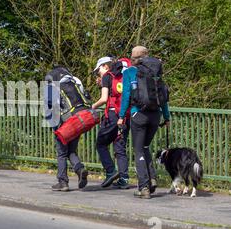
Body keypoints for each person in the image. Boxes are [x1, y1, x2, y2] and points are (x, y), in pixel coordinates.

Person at [118, 46, 170, 199]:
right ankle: (152, 178)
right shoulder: (156, 72)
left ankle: (144, 187)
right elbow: (163, 97)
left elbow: (126, 96)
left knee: (139, 150)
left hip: (138, 115)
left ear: (133, 58)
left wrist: (121, 116)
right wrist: (166, 117)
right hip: (155, 115)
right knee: (145, 146)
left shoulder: (129, 72)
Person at [44, 66, 90, 191]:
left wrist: (54, 126)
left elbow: (51, 108)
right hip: (79, 119)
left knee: (62, 153)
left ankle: (63, 182)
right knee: (71, 150)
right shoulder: (75, 81)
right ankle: (80, 169)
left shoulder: (52, 85)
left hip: (65, 123)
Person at [92, 56, 131, 189]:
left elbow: (103, 99)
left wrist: (92, 106)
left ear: (105, 66)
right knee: (120, 147)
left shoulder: (107, 77)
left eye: (99, 70)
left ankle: (110, 171)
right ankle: (124, 179)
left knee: (101, 144)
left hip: (113, 115)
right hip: (125, 115)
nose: (99, 73)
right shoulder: (124, 74)